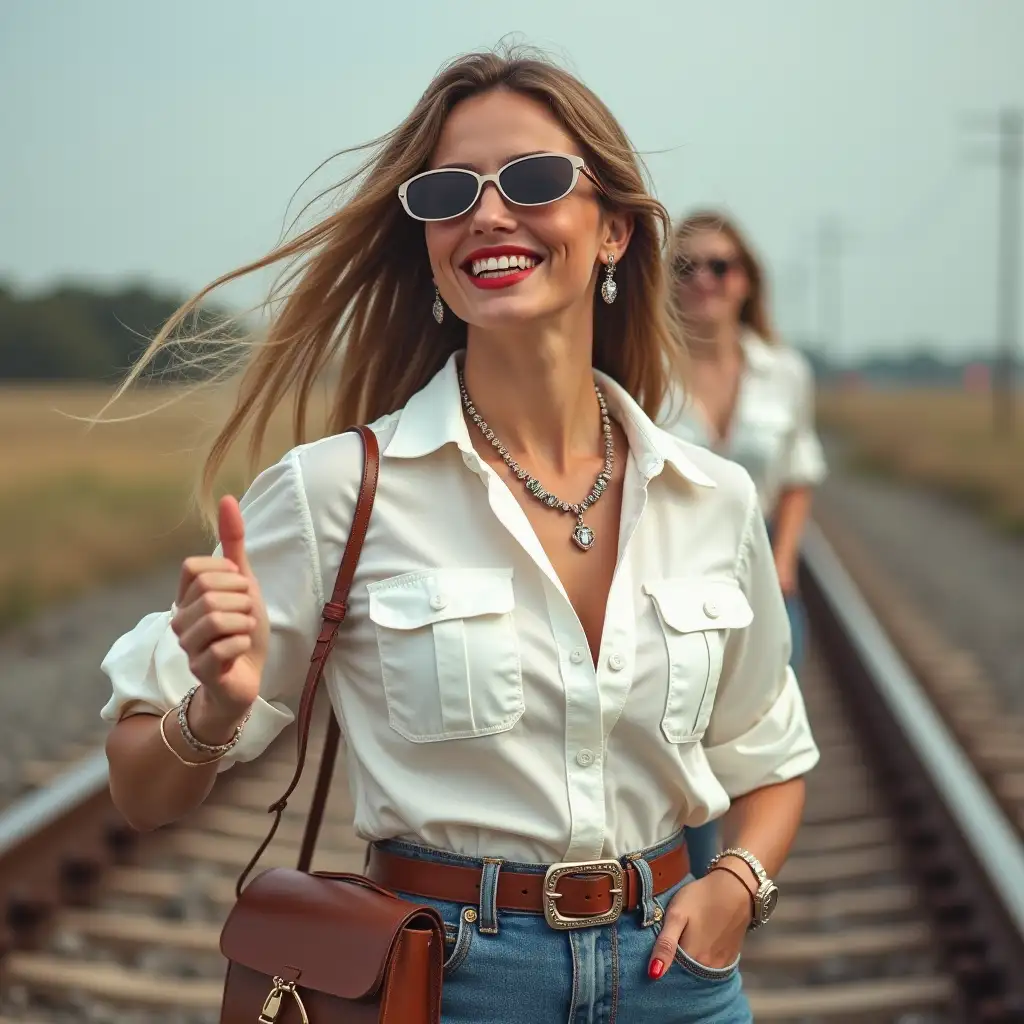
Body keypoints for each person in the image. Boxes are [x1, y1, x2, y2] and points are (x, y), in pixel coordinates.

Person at [99, 48, 819, 1024]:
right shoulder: (337, 492)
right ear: (432, 245)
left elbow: (768, 762)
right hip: (448, 983)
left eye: (530, 179)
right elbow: (145, 791)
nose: (487, 212)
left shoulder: (713, 497)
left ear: (611, 230)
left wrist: (734, 885)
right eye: (449, 192)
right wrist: (213, 711)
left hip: (671, 979)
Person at [661, 210, 828, 882]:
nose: (704, 279)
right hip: (673, 576)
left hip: (760, 575)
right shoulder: (646, 367)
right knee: (685, 745)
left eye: (720, 266)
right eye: (686, 266)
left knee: (755, 745)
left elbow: (798, 473)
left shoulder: (784, 371)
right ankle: (691, 887)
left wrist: (783, 562)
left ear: (746, 282)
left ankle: (733, 883)